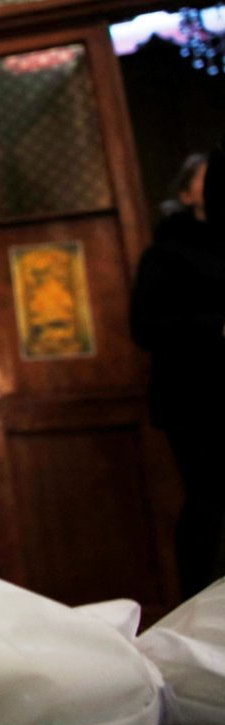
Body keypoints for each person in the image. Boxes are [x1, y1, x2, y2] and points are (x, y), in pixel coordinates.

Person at [131, 147, 225, 599]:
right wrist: (217, 327)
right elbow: (144, 328)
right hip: (197, 399)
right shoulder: (165, 254)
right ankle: (197, 606)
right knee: (210, 500)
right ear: (189, 192)